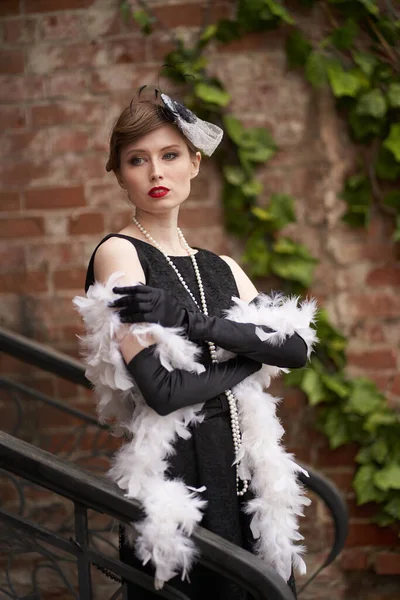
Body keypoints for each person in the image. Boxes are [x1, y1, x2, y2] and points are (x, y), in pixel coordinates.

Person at [74, 88, 318, 600]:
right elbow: (161, 390)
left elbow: (295, 348)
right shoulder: (119, 254)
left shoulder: (221, 267)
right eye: (137, 161)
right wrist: (249, 363)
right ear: (120, 175)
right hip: (178, 482)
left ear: (194, 163)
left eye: (170, 156)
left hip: (243, 473)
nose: (156, 173)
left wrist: (193, 323)